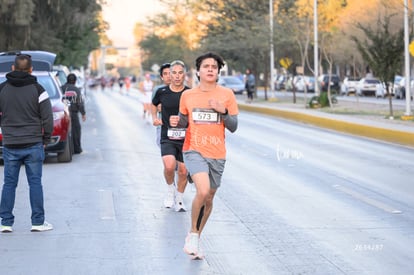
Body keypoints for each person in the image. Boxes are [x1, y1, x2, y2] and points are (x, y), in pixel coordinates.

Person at [170, 52, 238, 258]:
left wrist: (223, 111)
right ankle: (192, 233)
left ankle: (197, 238)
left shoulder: (227, 94)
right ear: (198, 71)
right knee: (203, 188)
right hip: (193, 149)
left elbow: (233, 127)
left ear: (218, 72)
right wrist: (176, 121)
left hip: (217, 152)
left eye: (214, 67)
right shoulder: (188, 95)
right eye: (206, 66)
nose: (210, 69)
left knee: (209, 197)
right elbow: (184, 121)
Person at [0, 53, 54, 233]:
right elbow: (48, 118)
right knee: (35, 183)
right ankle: (38, 222)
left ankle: (5, 222)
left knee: (9, 184)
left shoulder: (2, 89)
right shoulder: (39, 90)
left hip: (10, 144)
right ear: (31, 70)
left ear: (13, 68)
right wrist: (45, 139)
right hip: (33, 143)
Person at [152, 60, 190, 211]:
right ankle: (170, 190)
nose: (177, 76)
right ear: (170, 75)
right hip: (167, 135)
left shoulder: (189, 93)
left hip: (185, 137)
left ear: (184, 75)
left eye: (180, 73)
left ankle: (179, 199)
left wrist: (183, 120)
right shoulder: (162, 92)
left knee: (183, 171)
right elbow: (153, 105)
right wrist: (155, 118)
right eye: (174, 73)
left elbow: (194, 113)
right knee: (169, 167)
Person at [61, 73, 86, 154]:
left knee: (64, 131)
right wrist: (83, 113)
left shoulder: (61, 88)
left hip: (63, 113)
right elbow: (80, 102)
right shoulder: (76, 90)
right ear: (75, 81)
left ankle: (67, 149)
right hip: (73, 113)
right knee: (76, 130)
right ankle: (77, 149)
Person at [152, 63, 171, 148]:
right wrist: (155, 119)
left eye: (170, 73)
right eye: (165, 74)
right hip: (162, 126)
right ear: (161, 77)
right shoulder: (158, 90)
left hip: (179, 127)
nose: (168, 76)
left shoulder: (184, 90)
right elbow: (154, 107)